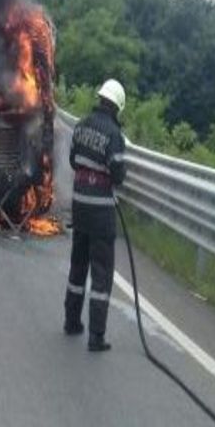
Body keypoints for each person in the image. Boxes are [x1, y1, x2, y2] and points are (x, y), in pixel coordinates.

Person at [63, 79, 127, 351]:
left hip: (79, 206)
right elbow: (118, 174)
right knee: (101, 274)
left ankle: (71, 321)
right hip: (101, 212)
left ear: (100, 99)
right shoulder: (114, 135)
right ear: (118, 106)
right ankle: (96, 336)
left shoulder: (81, 126)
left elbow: (72, 160)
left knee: (78, 266)